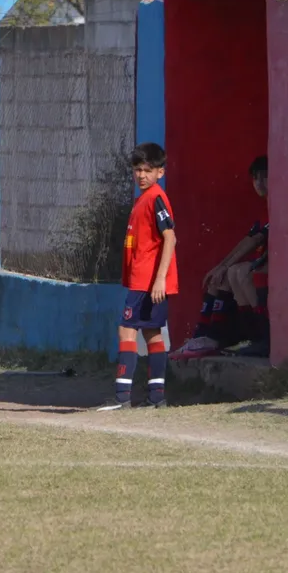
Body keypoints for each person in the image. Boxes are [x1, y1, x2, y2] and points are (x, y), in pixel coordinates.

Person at [98, 143, 177, 411]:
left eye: (147, 170)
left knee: (127, 329)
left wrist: (160, 279)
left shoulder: (156, 198)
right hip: (143, 280)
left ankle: (121, 396)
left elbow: (170, 237)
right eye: (137, 169)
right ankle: (157, 397)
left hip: (148, 281)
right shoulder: (144, 199)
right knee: (152, 333)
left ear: (160, 172)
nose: (141, 175)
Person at [171, 155, 269, 359]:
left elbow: (255, 240)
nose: (259, 183)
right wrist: (221, 266)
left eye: (264, 177)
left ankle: (264, 339)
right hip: (263, 265)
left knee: (239, 271)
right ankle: (209, 337)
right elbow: (249, 238)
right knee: (225, 275)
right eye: (255, 178)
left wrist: (224, 265)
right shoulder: (264, 211)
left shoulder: (279, 206)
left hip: (279, 268)